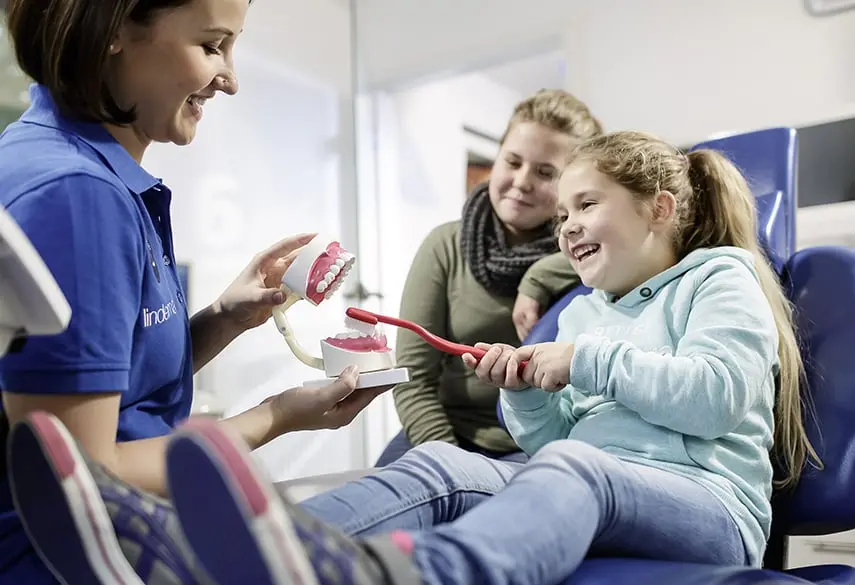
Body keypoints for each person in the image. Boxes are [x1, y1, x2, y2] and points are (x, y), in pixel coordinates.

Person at [83, 128, 818, 585]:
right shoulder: (590, 308)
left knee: (577, 469)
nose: (565, 228)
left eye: (584, 205)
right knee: (442, 465)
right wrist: (526, 390)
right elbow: (553, 441)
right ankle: (218, 555)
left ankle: (413, 573)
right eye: (561, 216)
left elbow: (717, 394)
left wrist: (579, 361)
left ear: (658, 208)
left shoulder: (718, 275)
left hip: (708, 507)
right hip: (606, 484)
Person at [0, 1, 392, 584]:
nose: (230, 80)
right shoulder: (77, 198)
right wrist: (276, 416)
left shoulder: (71, 167)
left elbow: (111, 387)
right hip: (97, 558)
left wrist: (225, 318)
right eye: (212, 47)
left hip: (140, 530)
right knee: (454, 479)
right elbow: (85, 473)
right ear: (113, 31)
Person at [377, 89, 600, 466]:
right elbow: (413, 379)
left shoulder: (590, 253)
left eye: (546, 172)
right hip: (443, 431)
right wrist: (446, 461)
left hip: (541, 443)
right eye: (512, 161)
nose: (522, 180)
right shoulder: (446, 245)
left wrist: (540, 274)